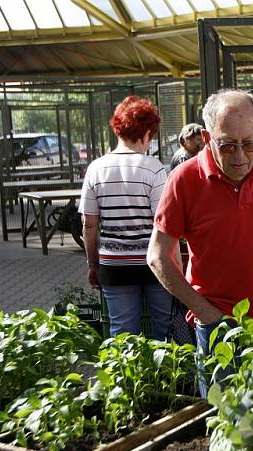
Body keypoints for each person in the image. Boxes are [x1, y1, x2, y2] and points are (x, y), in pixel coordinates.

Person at [147, 89, 253, 396]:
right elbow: (157, 256)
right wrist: (203, 311)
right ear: (207, 137)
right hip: (218, 332)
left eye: (250, 144)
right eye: (227, 146)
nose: (240, 157)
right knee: (226, 424)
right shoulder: (184, 180)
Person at [79, 95, 172, 339]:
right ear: (147, 133)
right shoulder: (154, 168)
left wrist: (92, 265)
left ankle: (126, 377)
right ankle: (164, 377)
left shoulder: (95, 169)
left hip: (114, 265)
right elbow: (163, 224)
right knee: (163, 329)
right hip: (154, 264)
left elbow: (89, 225)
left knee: (121, 335)